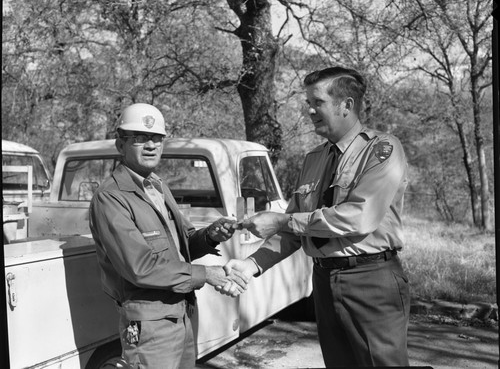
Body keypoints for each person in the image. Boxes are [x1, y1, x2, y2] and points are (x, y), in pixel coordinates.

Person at [225, 67, 410, 367]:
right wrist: (250, 265)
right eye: (308, 102)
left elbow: (358, 217)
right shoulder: (314, 159)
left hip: (370, 280)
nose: (309, 110)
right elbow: (292, 231)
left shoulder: (382, 150)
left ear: (346, 105)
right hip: (323, 280)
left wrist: (283, 221)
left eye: (317, 102)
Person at [89, 103, 248, 369]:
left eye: (157, 138)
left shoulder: (158, 186)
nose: (151, 145)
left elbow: (182, 246)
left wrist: (210, 235)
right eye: (140, 138)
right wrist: (207, 274)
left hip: (182, 315)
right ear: (121, 145)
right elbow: (140, 267)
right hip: (150, 325)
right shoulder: (110, 197)